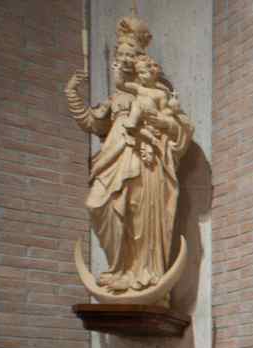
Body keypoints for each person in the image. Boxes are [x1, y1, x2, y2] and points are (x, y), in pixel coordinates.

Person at [64, 24, 193, 294]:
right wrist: (72, 93)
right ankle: (117, 268)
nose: (123, 58)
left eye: (128, 53)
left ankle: (139, 274)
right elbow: (94, 123)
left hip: (146, 161)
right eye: (120, 53)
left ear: (139, 58)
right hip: (113, 159)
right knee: (97, 205)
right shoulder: (119, 95)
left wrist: (163, 124)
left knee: (138, 216)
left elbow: (181, 130)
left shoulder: (157, 91)